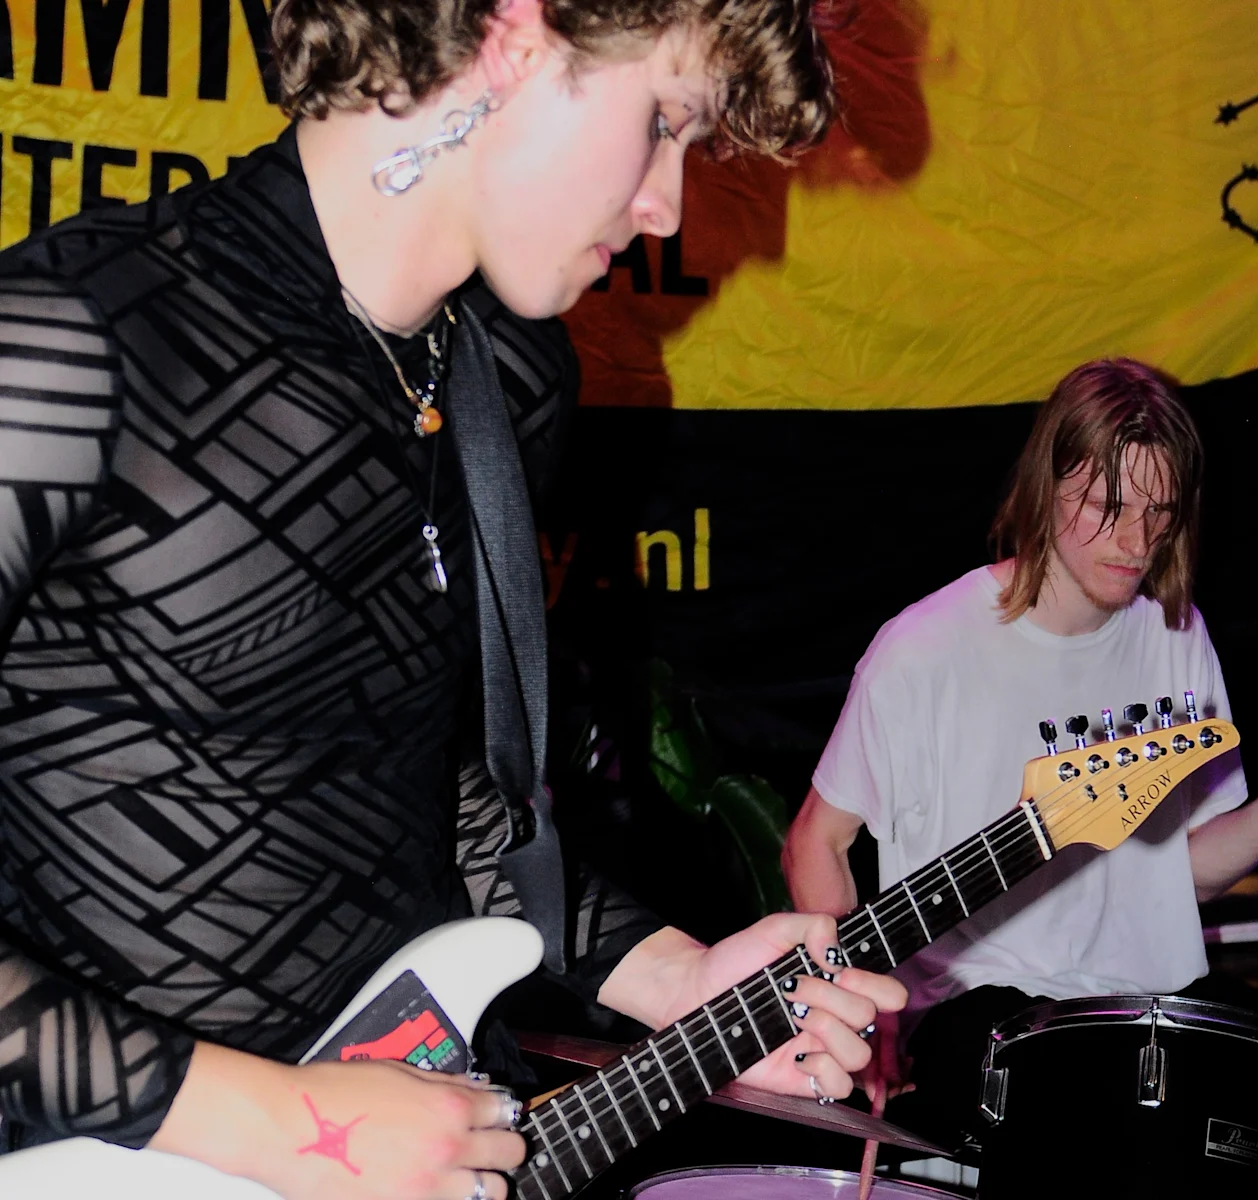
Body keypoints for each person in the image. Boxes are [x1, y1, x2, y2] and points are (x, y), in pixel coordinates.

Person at [0, 1, 905, 1197]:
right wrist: (281, 1127)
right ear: (514, 37)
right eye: (663, 123)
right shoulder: (63, 341)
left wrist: (674, 977)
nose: (667, 208)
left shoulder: (510, 381)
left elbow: (437, 795)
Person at [780, 357, 1258, 1148]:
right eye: (1109, 506)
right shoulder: (925, 648)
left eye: (1160, 512)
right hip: (981, 1013)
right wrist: (861, 1008)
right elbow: (815, 843)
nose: (1138, 540)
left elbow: (1180, 875)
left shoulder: (1175, 634)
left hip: (1149, 1010)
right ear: (1046, 485)